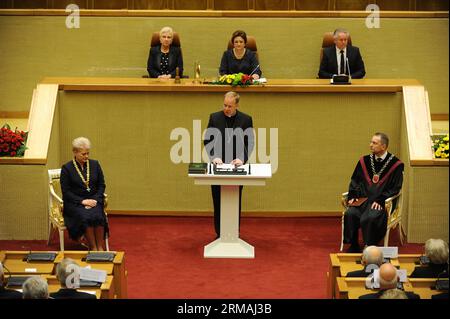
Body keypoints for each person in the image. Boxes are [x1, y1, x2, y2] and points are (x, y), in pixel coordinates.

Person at [204, 91, 255, 238]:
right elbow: (208, 141)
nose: (227, 108)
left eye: (230, 106)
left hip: (236, 166)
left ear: (237, 105)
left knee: (235, 199)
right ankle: (219, 233)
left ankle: (233, 232)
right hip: (218, 164)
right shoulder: (214, 117)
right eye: (225, 105)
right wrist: (214, 157)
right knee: (217, 199)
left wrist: (242, 159)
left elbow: (249, 143)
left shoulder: (246, 119)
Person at [343, 133, 404, 253]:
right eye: (371, 142)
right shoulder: (364, 161)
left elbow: (395, 188)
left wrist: (381, 200)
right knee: (350, 213)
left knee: (370, 217)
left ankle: (369, 245)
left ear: (383, 146)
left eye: (374, 143)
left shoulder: (396, 164)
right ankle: (354, 244)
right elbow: (355, 180)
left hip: (380, 202)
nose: (370, 145)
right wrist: (353, 195)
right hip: (363, 199)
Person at [60, 137, 108, 251]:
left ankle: (99, 246)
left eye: (88, 153)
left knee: (98, 214)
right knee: (85, 215)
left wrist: (95, 200)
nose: (86, 156)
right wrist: (82, 201)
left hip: (94, 200)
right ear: (75, 152)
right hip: (75, 203)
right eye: (83, 154)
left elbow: (102, 185)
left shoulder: (95, 164)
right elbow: (66, 192)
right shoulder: (67, 168)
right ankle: (92, 247)